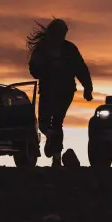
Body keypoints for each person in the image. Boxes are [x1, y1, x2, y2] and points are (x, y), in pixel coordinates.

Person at [26, 18, 93, 167]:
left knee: (57, 122)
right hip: (48, 90)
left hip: (65, 91)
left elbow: (81, 69)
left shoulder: (70, 49)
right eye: (61, 32)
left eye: (64, 33)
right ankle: (51, 140)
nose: (63, 36)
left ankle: (56, 158)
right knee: (44, 124)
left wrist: (88, 88)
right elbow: (34, 70)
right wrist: (47, 68)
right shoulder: (42, 49)